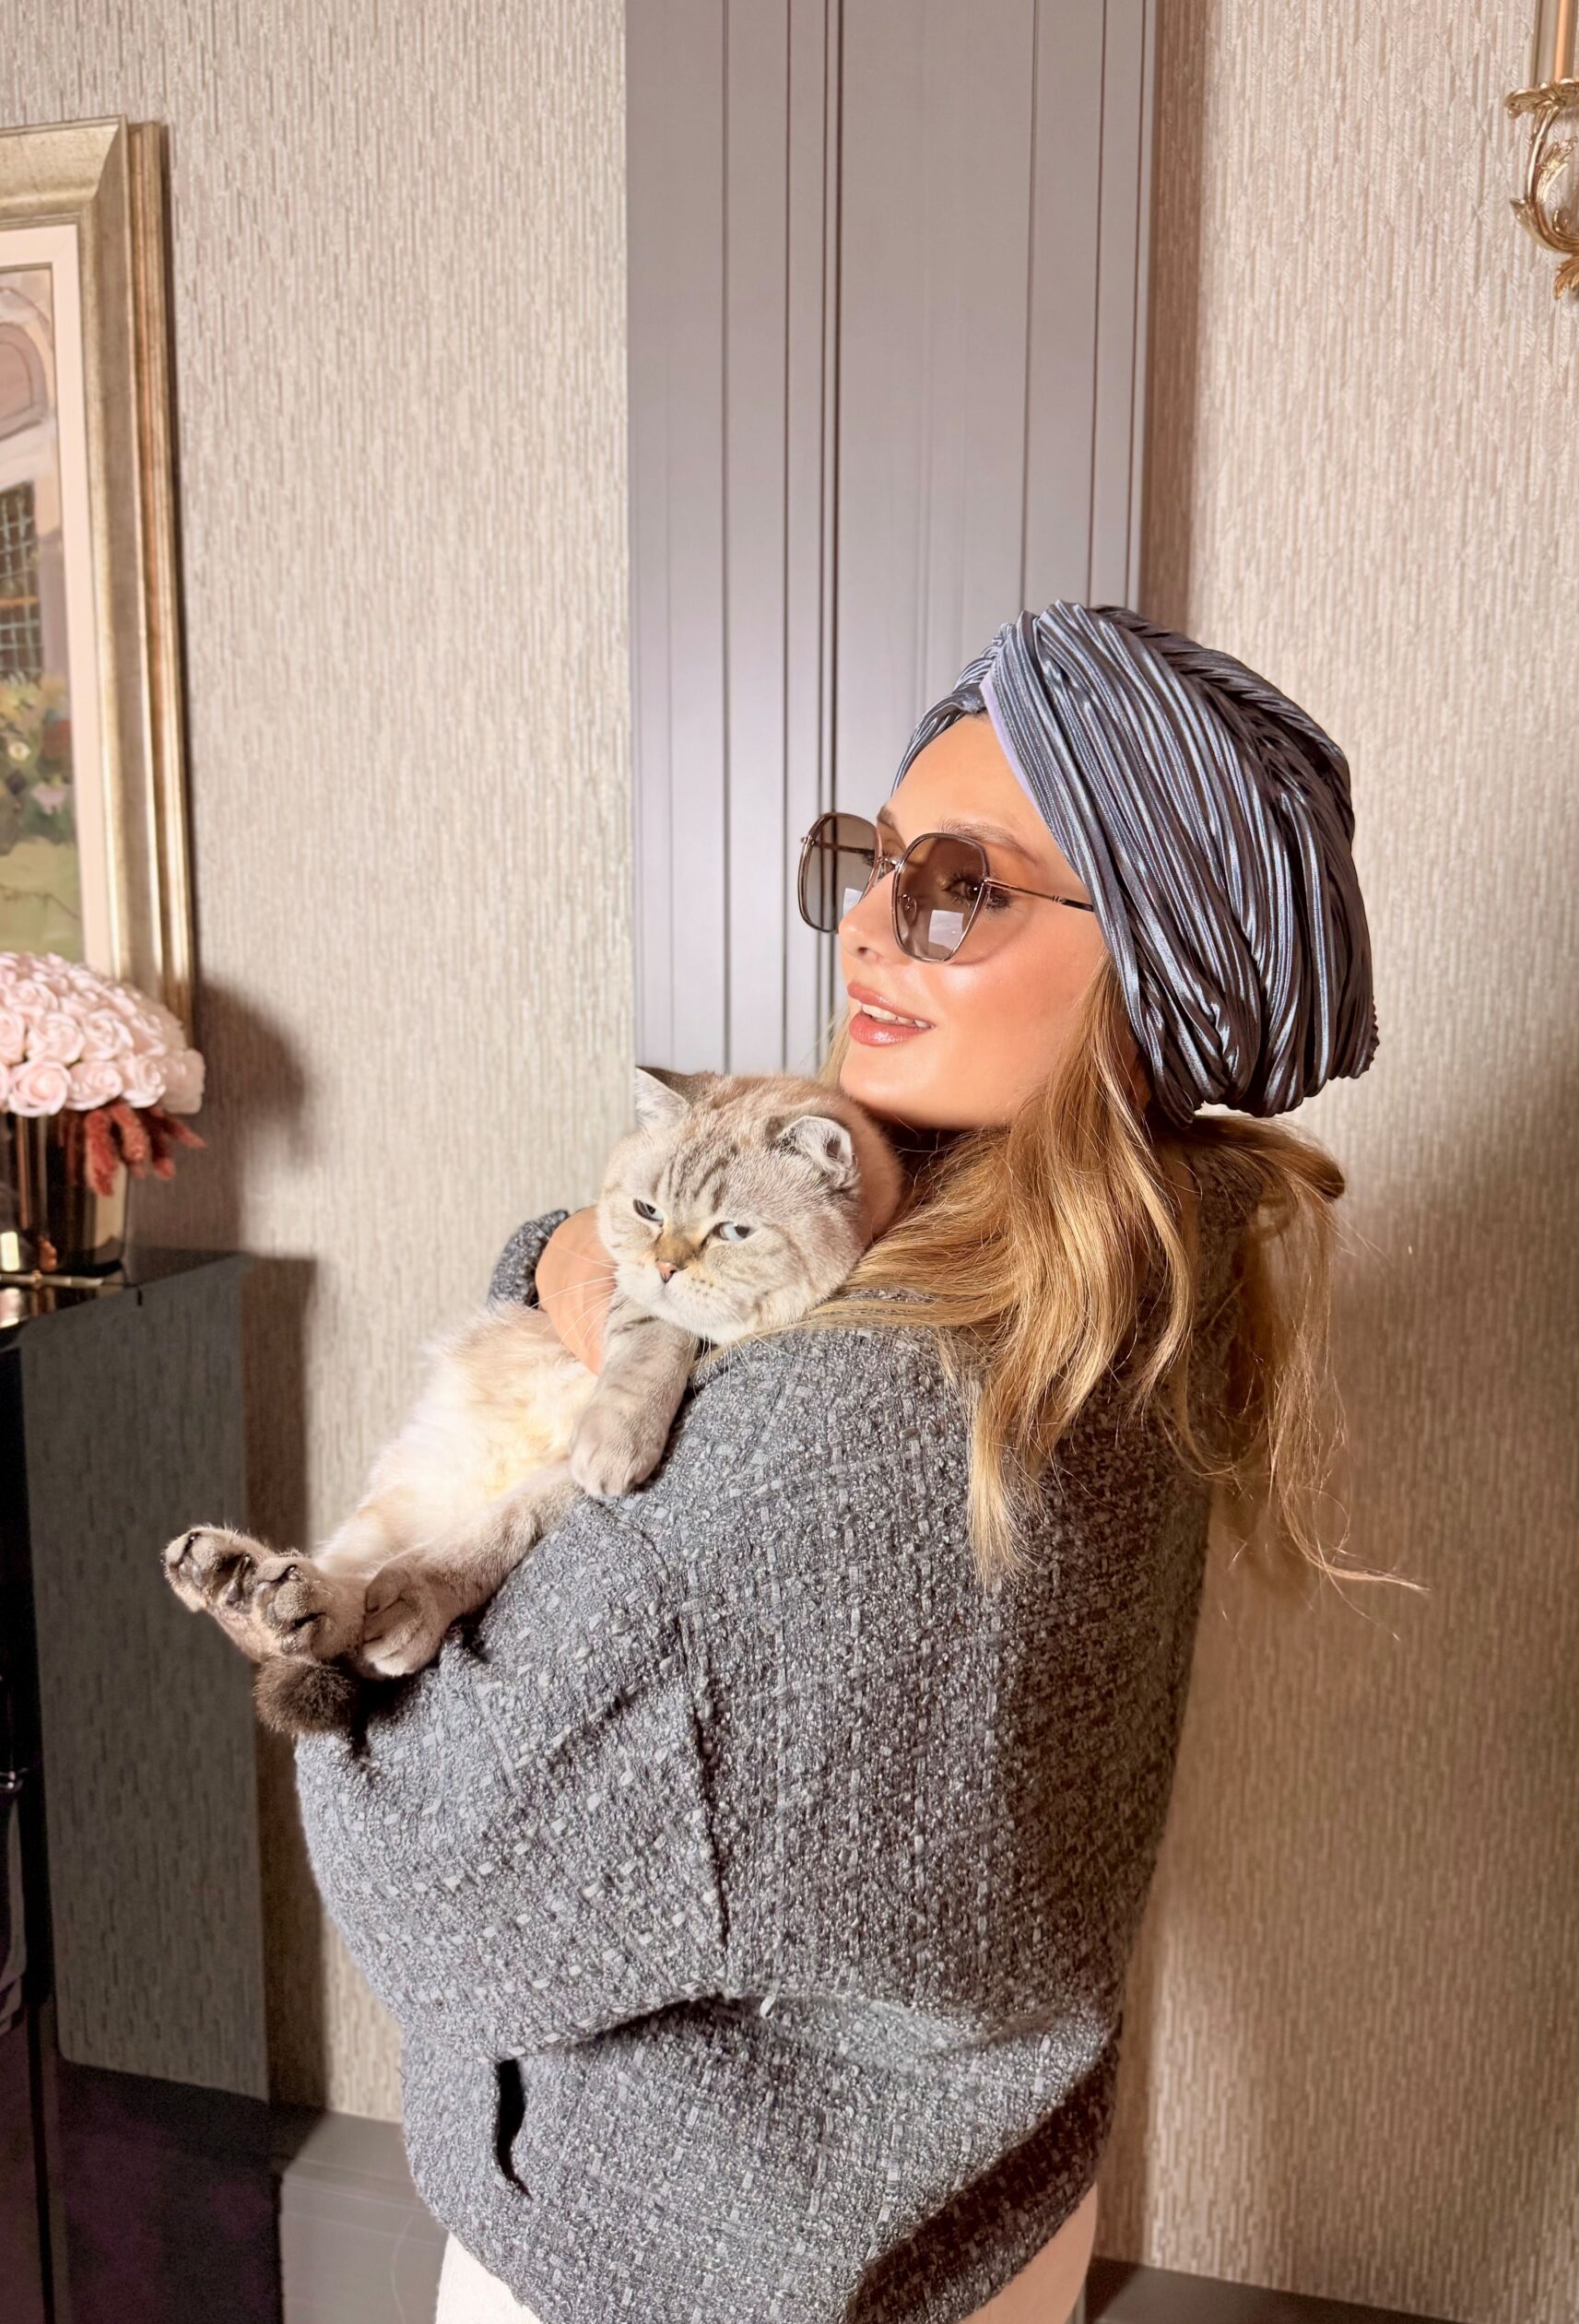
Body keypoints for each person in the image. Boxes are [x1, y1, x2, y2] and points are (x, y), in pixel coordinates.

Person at [293, 601, 1387, 2324]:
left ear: (1153, 959)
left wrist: (560, 1277)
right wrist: (569, 1265)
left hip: (677, 2266)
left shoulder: (829, 1437)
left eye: (962, 886)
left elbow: (426, 1888)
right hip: (981, 2200)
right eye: (870, 863)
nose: (870, 925)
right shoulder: (1151, 1274)